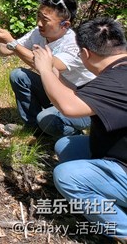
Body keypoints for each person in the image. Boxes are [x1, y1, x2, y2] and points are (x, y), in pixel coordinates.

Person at [32, 17, 127, 240]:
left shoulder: (116, 81)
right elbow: (80, 94)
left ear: (85, 53)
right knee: (66, 146)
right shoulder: (119, 72)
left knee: (66, 176)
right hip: (119, 154)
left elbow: (69, 106)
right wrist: (55, 77)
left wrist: (45, 69)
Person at [0, 0, 94, 137]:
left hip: (82, 103)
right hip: (57, 92)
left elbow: (45, 66)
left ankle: (74, 136)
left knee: (46, 120)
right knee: (19, 75)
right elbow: (6, 51)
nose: (39, 23)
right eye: (39, 16)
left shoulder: (73, 45)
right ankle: (33, 128)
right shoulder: (38, 33)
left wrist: (11, 42)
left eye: (45, 20)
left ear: (65, 24)